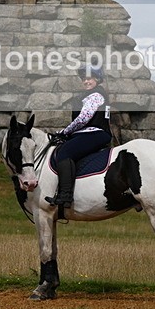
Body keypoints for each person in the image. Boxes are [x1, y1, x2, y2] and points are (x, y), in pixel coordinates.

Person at [45, 64, 112, 208]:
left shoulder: (95, 95)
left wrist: (65, 132)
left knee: (64, 153)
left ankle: (65, 196)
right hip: (92, 133)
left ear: (97, 79)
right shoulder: (96, 94)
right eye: (84, 79)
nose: (86, 82)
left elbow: (84, 118)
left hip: (94, 133)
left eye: (89, 79)